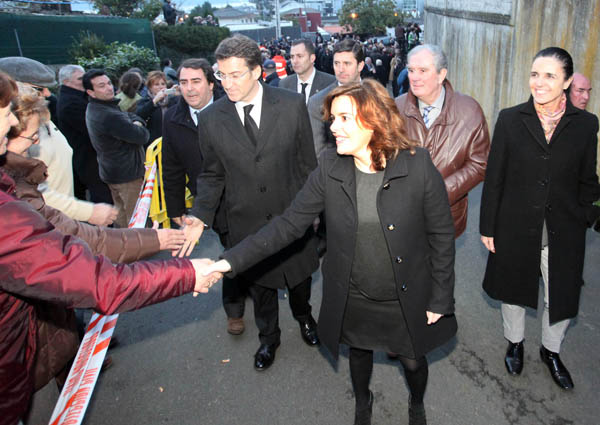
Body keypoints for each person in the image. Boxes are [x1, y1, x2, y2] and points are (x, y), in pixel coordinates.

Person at [203, 80, 457, 425]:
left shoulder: (418, 165)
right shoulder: (329, 167)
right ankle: (363, 402)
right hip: (353, 291)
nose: (333, 127)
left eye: (344, 118)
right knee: (358, 353)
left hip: (404, 292)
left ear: (375, 119)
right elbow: (287, 225)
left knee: (412, 361)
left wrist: (440, 298)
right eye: (332, 119)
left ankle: (416, 403)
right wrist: (227, 262)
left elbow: (441, 236)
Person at [0, 70, 221, 425]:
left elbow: (81, 239)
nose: (14, 124)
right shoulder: (9, 210)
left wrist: (156, 239)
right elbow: (94, 277)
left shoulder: (14, 189)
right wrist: (187, 273)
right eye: (24, 131)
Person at [178, 34, 320, 371]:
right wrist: (200, 215)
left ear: (257, 71)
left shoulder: (291, 105)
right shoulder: (211, 118)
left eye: (235, 74)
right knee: (261, 289)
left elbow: (307, 165)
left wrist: (314, 214)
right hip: (246, 222)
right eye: (222, 75)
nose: (227, 83)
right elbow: (212, 174)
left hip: (291, 218)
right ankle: (268, 338)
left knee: (300, 281)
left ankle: (304, 317)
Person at [480, 47, 600, 391]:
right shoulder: (510, 119)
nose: (539, 82)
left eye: (549, 75)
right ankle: (515, 342)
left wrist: (586, 215)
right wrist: (488, 226)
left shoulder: (585, 124)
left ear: (567, 82)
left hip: (564, 228)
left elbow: (587, 179)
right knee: (514, 289)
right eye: (535, 74)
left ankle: (551, 350)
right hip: (515, 224)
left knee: (561, 293)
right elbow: (495, 177)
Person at [0, 57, 118, 227]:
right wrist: (86, 211)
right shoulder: (14, 133)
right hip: (45, 222)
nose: (46, 94)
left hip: (60, 217)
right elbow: (30, 191)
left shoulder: (40, 117)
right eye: (38, 89)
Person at [395, 44, 490, 238]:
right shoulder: (395, 108)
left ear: (441, 74)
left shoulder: (469, 110)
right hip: (401, 215)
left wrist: (440, 192)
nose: (414, 77)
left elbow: (480, 163)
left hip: (446, 217)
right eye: (411, 70)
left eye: (423, 71)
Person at [57, 64, 113, 204]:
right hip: (87, 157)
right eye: (80, 78)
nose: (84, 80)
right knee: (102, 197)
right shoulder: (70, 103)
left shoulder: (76, 97)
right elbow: (93, 128)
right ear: (66, 82)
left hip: (91, 155)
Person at [308, 38, 365, 159]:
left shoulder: (377, 96)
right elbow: (319, 152)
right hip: (335, 168)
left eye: (347, 63)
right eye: (337, 63)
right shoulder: (318, 102)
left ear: (360, 66)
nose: (341, 69)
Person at [279, 38, 335, 104]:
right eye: (292, 57)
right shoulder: (284, 84)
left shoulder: (330, 83)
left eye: (300, 56)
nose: (295, 61)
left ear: (312, 58)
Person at [136, 70, 176, 144]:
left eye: (163, 84)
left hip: (170, 140)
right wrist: (154, 101)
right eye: (156, 84)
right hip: (153, 142)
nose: (161, 87)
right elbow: (139, 115)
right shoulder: (145, 101)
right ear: (150, 87)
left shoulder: (172, 100)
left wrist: (180, 95)